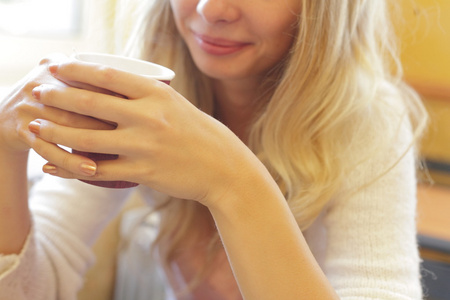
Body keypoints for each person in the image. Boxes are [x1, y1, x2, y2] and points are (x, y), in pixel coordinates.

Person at [0, 0, 428, 299]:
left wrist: (233, 181)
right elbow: (34, 288)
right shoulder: (144, 97)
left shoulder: (366, 118)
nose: (211, 9)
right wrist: (5, 149)